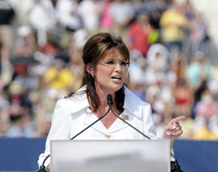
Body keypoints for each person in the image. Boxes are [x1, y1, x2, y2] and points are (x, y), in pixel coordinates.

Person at [38, 32, 185, 171]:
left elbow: (153, 163)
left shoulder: (141, 109)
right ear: (90, 68)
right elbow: (48, 160)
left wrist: (167, 141)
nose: (119, 69)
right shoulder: (67, 108)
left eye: (123, 63)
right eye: (110, 62)